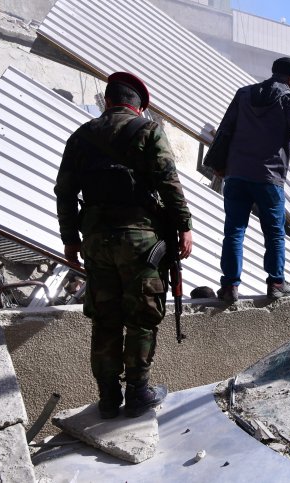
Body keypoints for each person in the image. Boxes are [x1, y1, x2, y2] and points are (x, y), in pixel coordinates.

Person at [54, 72, 194, 419]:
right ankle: (138, 393)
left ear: (107, 101)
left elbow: (65, 192)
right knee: (141, 317)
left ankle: (107, 398)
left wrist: (71, 239)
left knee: (105, 319)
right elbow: (168, 183)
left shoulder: (80, 137)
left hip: (97, 242)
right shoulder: (147, 131)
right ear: (139, 106)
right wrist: (185, 227)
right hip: (141, 242)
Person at [204, 57, 290, 303]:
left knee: (234, 230)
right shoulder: (287, 98)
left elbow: (225, 130)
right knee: (274, 232)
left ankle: (230, 287)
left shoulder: (243, 94)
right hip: (268, 177)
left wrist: (220, 165)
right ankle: (276, 283)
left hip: (236, 175)